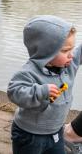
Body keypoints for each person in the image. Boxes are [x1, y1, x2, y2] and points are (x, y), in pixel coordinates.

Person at [7, 16, 81, 154]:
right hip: (29, 135)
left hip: (57, 132)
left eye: (72, 49)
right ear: (46, 52)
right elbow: (14, 91)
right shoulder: (29, 72)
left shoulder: (69, 65)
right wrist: (41, 91)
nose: (71, 55)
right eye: (65, 51)